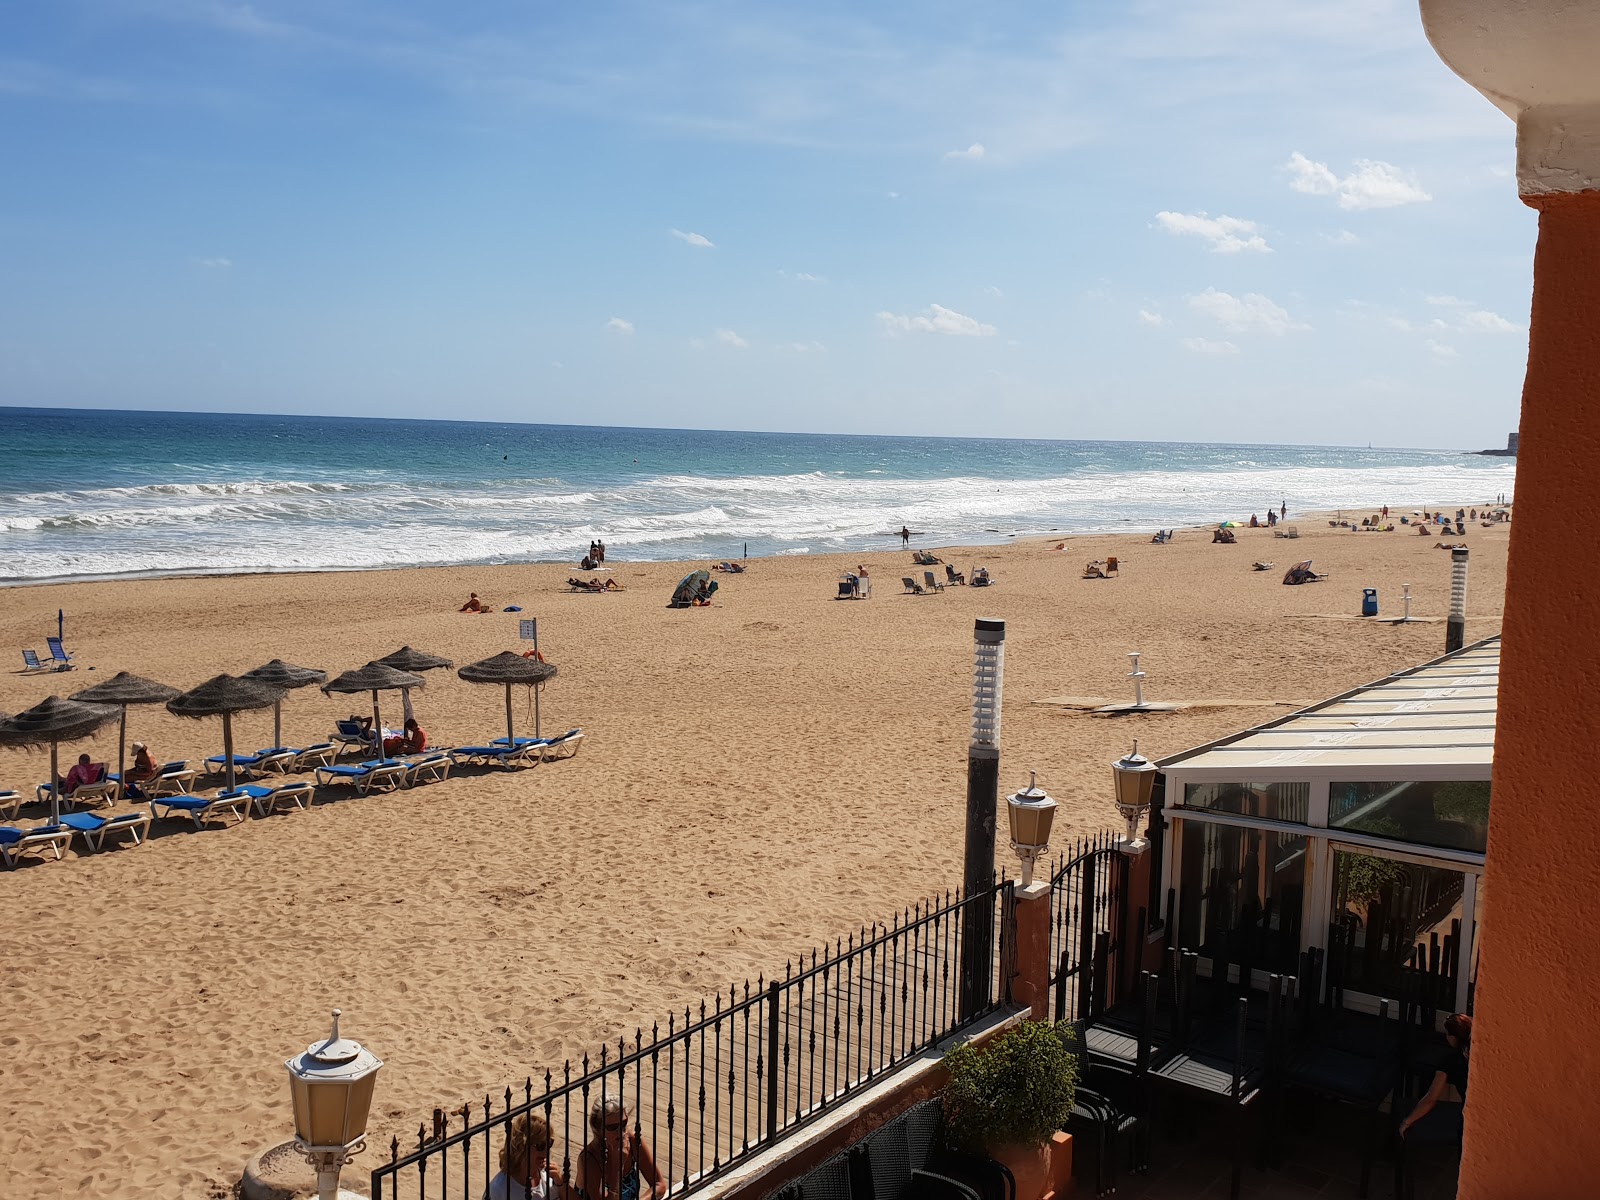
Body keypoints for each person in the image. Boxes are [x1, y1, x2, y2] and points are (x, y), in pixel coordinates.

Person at [1400, 1013, 1470, 1144]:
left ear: (1453, 1037)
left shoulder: (1451, 1062)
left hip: (1469, 1116)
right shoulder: (1478, 1056)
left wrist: (1407, 1121)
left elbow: (1431, 1098)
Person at [576, 1099, 664, 1200]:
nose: (620, 1131)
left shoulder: (633, 1141)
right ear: (599, 1129)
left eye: (623, 1124)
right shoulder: (590, 1159)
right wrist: (617, 1167)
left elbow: (659, 1184)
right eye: (612, 1127)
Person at [484, 1111, 566, 1200]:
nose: (546, 1151)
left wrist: (561, 1184)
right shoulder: (499, 1190)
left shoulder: (549, 1174)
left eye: (549, 1143)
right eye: (540, 1146)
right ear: (521, 1147)